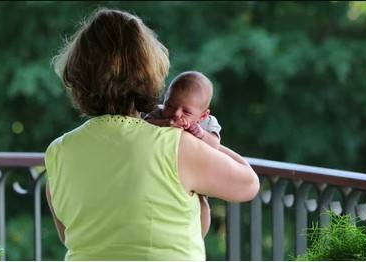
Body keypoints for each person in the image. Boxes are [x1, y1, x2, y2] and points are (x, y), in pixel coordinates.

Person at [45, 7, 259, 261]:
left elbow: (69, 235)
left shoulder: (58, 152)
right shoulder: (176, 145)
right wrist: (201, 137)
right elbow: (248, 184)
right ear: (147, 74)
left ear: (78, 77)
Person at [144, 70, 221, 237]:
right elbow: (144, 126)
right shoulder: (159, 112)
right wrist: (166, 123)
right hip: (163, 171)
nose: (176, 114)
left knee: (202, 205)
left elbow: (215, 145)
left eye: (186, 112)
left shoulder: (208, 123)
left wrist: (200, 133)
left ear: (203, 115)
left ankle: (198, 237)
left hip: (195, 174)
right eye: (170, 105)